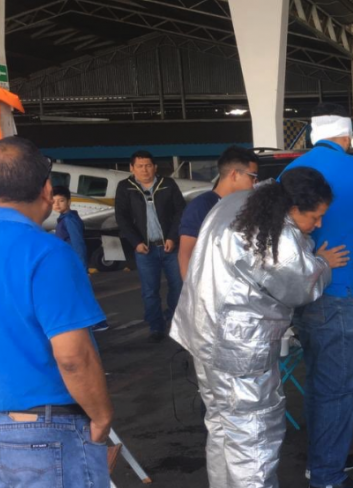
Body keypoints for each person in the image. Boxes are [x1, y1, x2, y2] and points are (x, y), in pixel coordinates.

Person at [0, 137, 114, 488]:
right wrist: (102, 419)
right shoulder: (46, 252)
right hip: (46, 432)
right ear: (46, 190)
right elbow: (73, 357)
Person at [170, 169, 349, 488]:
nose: (317, 225)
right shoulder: (279, 237)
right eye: (313, 217)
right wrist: (323, 264)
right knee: (254, 427)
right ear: (294, 206)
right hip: (240, 344)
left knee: (220, 416)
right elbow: (301, 285)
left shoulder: (241, 201)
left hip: (201, 329)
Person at [282, 103, 353, 488]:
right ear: (347, 138)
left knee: (319, 378)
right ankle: (327, 474)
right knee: (344, 383)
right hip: (338, 287)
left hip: (301, 289)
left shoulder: (290, 172)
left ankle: (322, 456)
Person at [114, 149, 186, 343]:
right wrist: (135, 243)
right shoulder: (124, 187)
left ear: (154, 167)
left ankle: (174, 322)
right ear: (132, 168)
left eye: (148, 166)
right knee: (149, 291)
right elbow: (122, 218)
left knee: (178, 287)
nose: (144, 170)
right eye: (139, 166)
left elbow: (181, 212)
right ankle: (156, 327)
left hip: (170, 247)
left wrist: (172, 237)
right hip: (145, 250)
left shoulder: (168, 185)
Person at [178, 146, 260, 278]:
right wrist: (192, 293)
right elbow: (186, 254)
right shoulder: (201, 206)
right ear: (234, 174)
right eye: (253, 177)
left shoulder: (246, 205)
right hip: (211, 289)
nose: (255, 183)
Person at [53, 185, 109, 332]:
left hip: (73, 264)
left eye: (61, 201)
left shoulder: (69, 220)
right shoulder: (65, 219)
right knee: (78, 292)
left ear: (69, 202)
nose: (57, 204)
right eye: (54, 201)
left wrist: (83, 268)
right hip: (69, 263)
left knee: (81, 292)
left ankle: (99, 322)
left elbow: (78, 243)